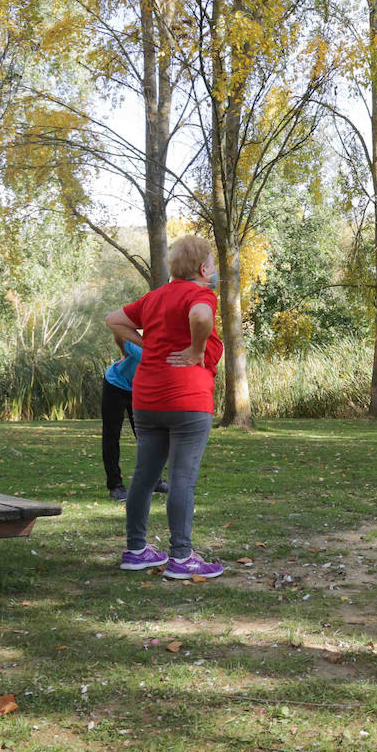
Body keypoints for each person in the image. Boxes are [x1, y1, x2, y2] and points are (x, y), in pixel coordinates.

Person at [105, 235, 225, 580]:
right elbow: (201, 316)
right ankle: (182, 557)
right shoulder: (201, 294)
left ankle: (136, 550)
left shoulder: (154, 297)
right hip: (187, 398)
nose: (213, 272)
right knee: (182, 478)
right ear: (203, 269)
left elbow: (114, 319)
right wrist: (197, 350)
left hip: (146, 398)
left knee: (144, 475)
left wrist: (148, 343)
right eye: (212, 266)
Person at [101, 338, 168, 502]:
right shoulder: (143, 349)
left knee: (147, 436)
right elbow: (117, 328)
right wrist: (124, 351)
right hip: (115, 385)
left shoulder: (171, 356)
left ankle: (155, 480)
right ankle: (115, 485)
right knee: (112, 436)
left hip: (139, 389)